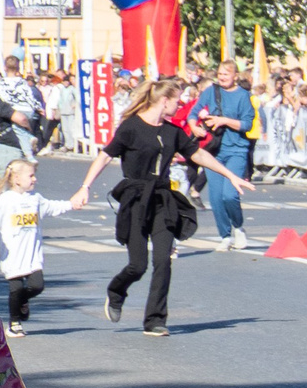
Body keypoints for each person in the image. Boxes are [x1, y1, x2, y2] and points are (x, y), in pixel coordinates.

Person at [77, 75, 253, 337]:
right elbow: (105, 156)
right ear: (164, 100)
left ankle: (155, 320)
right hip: (136, 199)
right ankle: (116, 291)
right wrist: (85, 187)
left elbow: (198, 154)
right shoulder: (131, 127)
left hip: (162, 200)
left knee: (163, 261)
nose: (179, 106)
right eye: (177, 101)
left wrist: (230, 175)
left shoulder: (172, 131)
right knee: (138, 265)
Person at [0, 158, 78, 335]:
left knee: (37, 286)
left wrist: (72, 204)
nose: (35, 179)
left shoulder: (36, 199)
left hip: (33, 255)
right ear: (17, 178)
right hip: (12, 256)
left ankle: (22, 301)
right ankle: (14, 322)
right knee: (16, 288)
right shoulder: (6, 200)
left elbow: (52, 207)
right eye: (31, 176)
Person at [190, 61, 259, 251]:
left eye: (226, 74)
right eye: (219, 74)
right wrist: (194, 125)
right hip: (213, 151)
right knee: (216, 197)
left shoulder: (244, 96)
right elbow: (194, 112)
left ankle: (238, 227)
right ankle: (225, 235)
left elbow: (246, 124)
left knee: (230, 195)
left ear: (235, 76)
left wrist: (224, 121)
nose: (221, 77)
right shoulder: (211, 91)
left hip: (236, 150)